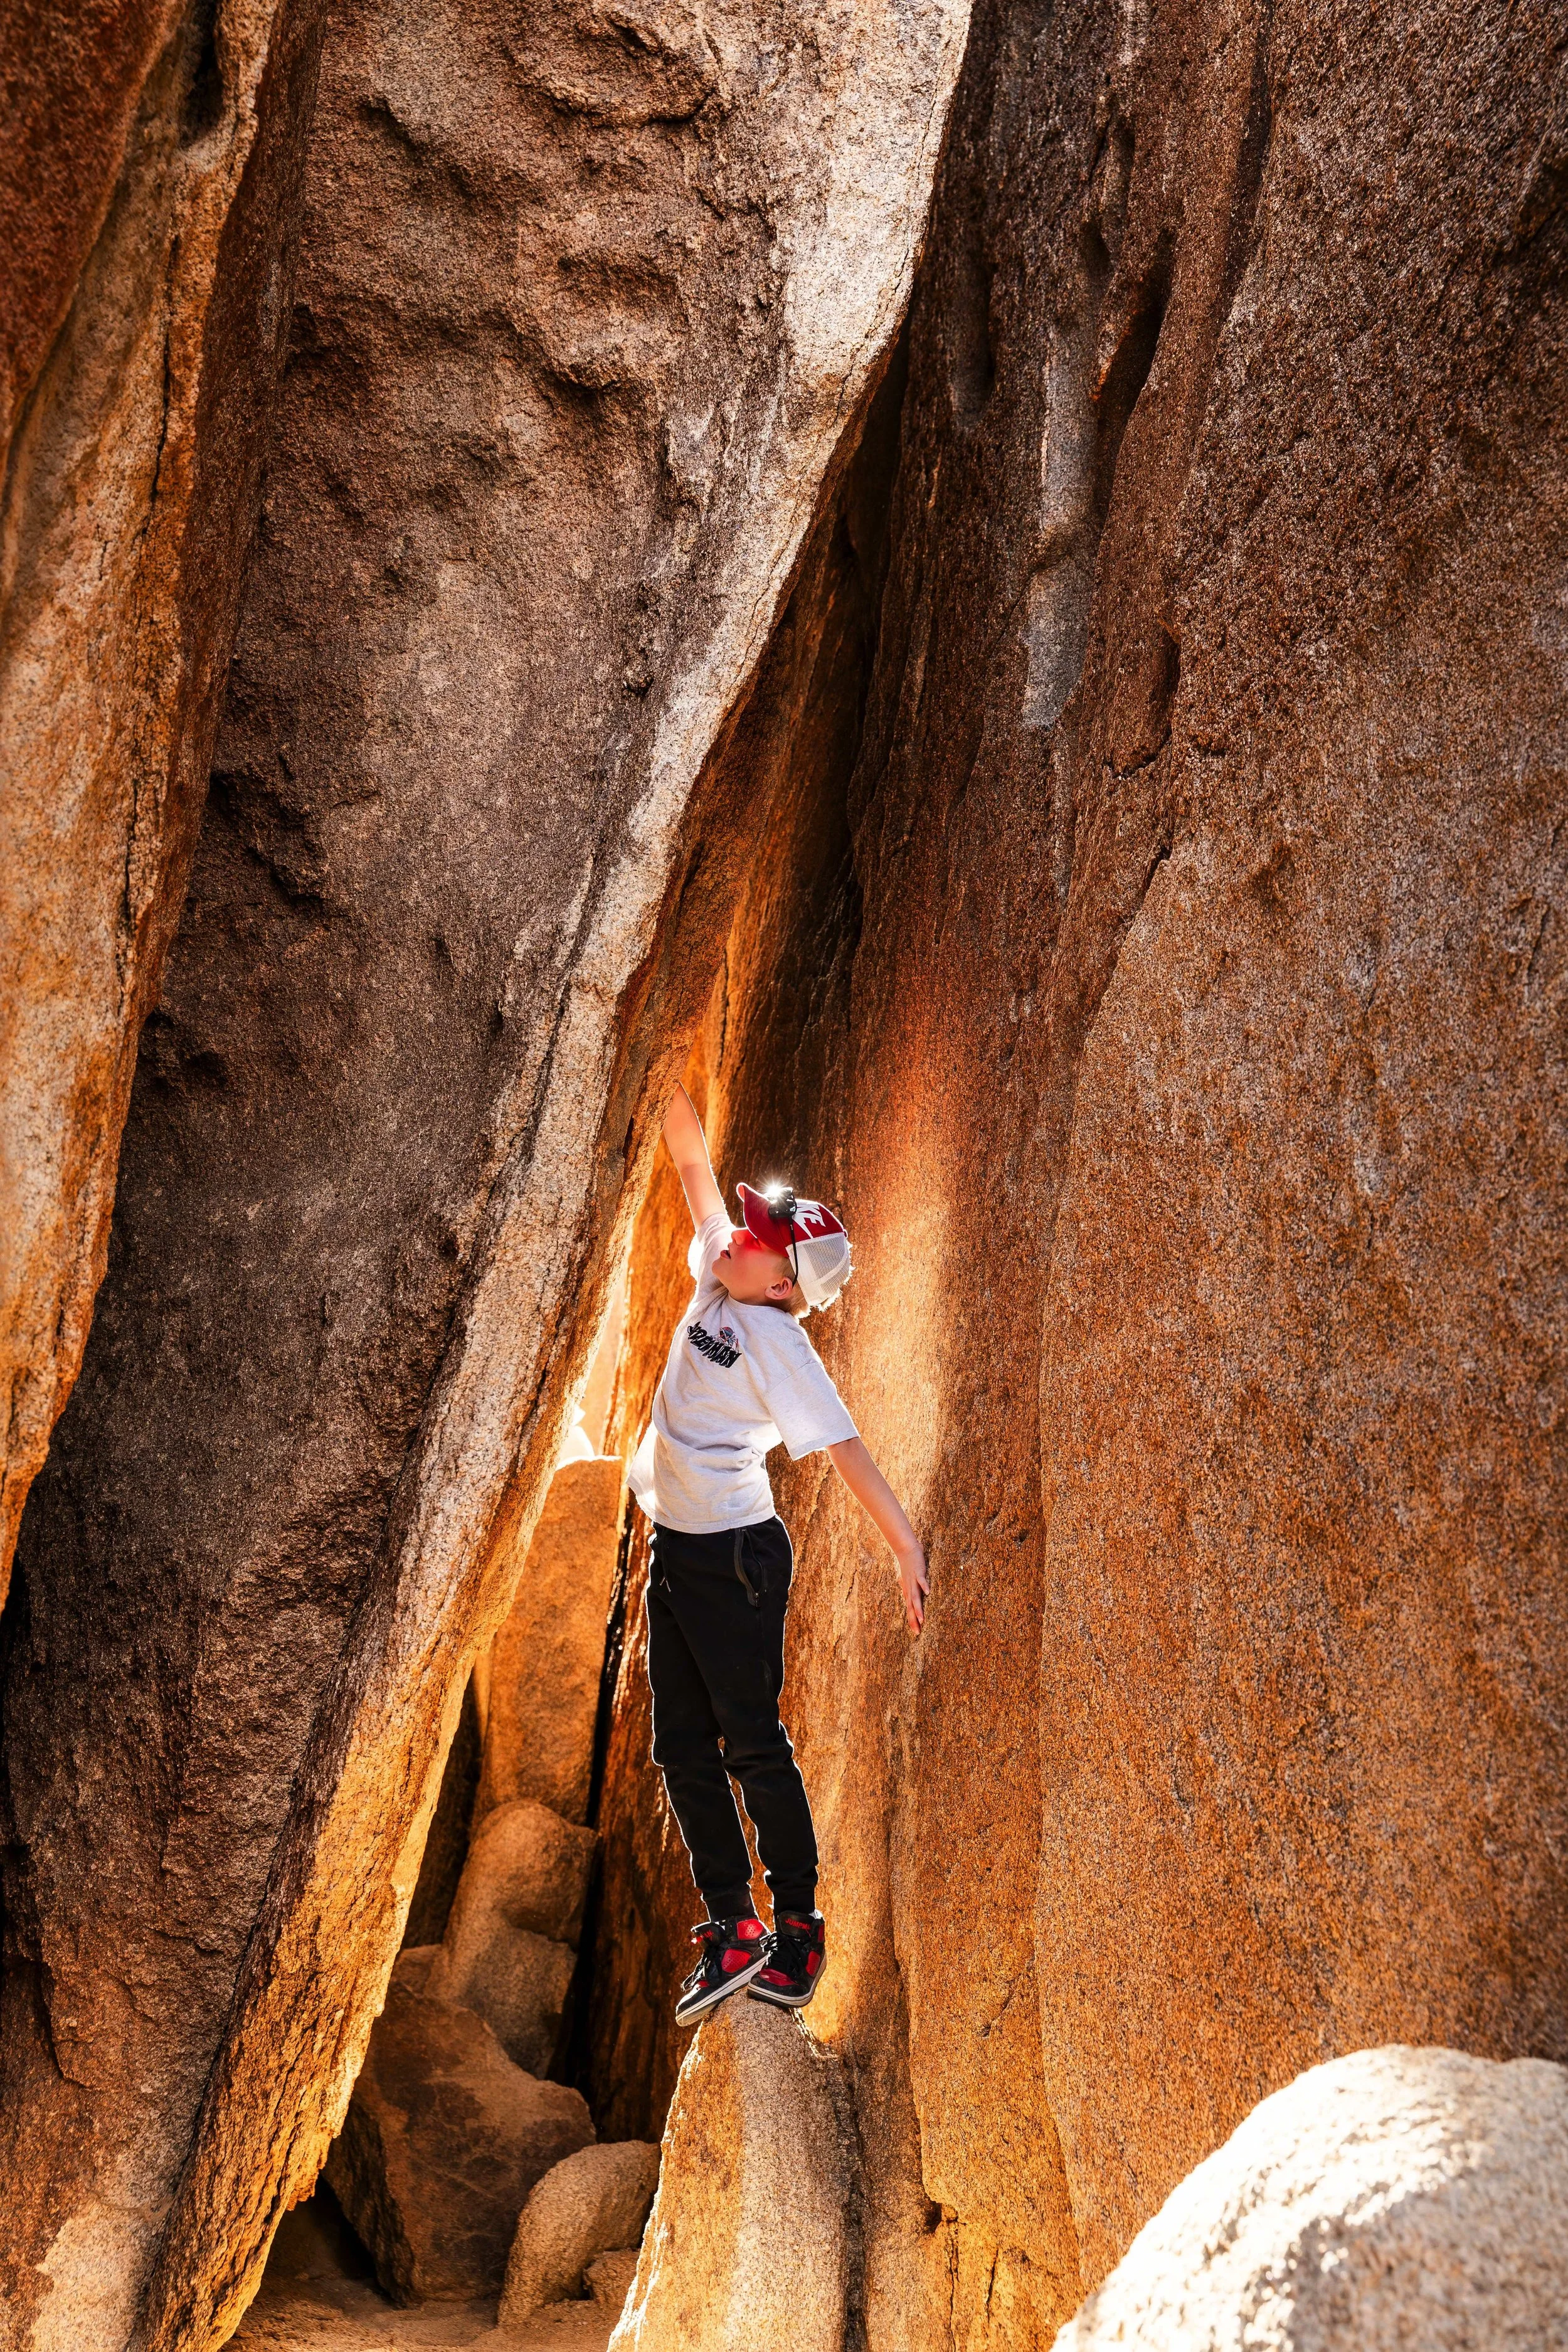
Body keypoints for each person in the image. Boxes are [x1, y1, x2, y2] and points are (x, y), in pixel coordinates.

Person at [628, 1082, 928, 2025]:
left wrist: (904, 1544)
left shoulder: (777, 1337)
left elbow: (844, 1447)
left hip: (736, 1559)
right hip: (675, 1551)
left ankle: (798, 1924)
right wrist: (671, 1095)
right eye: (746, 1224)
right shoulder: (723, 1270)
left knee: (752, 1743)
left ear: (785, 1289)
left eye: (759, 1238)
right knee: (679, 1745)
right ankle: (733, 1926)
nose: (738, 1234)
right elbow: (692, 1168)